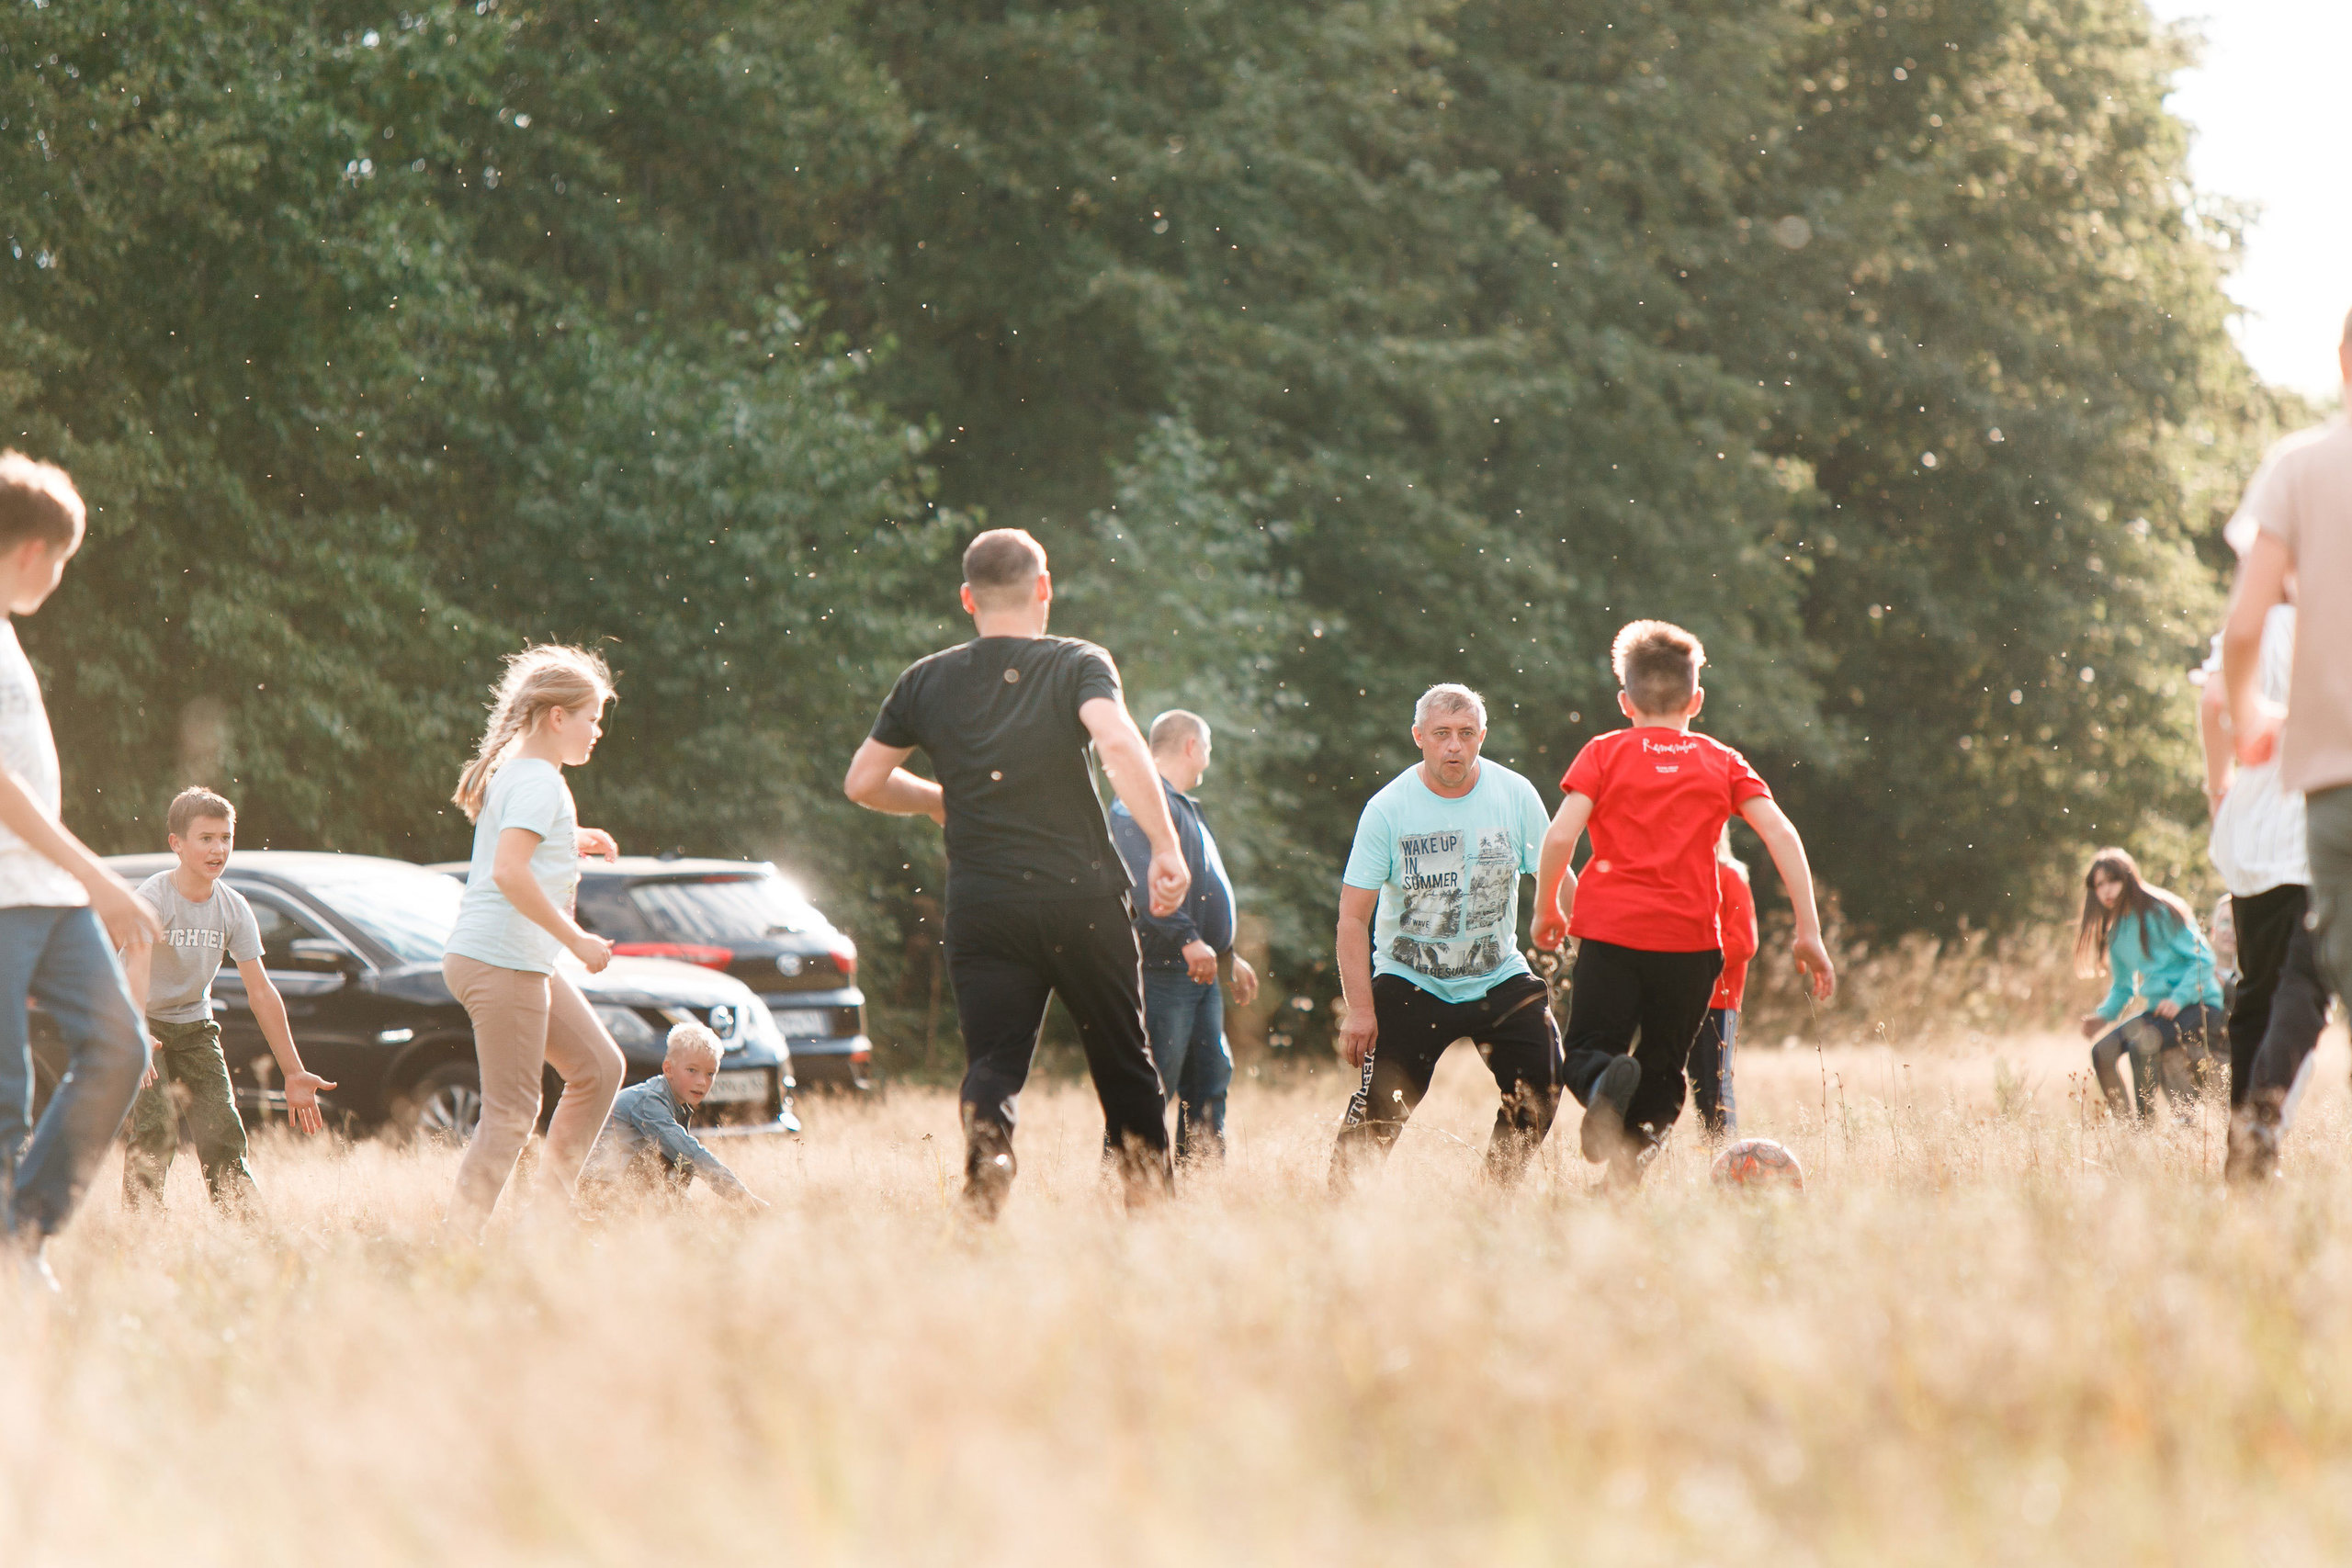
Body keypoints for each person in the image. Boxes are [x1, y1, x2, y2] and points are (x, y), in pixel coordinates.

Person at [843, 528, 1188, 1220]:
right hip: (1080, 898)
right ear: (1044, 587)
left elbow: (864, 781)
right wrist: (1165, 845)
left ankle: (986, 1184)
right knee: (1123, 1060)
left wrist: (936, 799)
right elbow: (1118, 741)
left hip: (984, 904)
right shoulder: (1077, 662)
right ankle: (1150, 1209)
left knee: (992, 1064)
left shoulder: (926, 679)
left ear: (968, 597)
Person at [1532, 620, 1835, 1190]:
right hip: (1692, 946)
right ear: (1696, 701)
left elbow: (1559, 837)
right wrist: (1808, 931)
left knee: (1590, 1049)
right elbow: (1781, 834)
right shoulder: (1721, 760)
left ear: (1625, 702)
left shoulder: (1602, 753)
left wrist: (1547, 907)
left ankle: (1601, 1086)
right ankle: (1623, 1178)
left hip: (1612, 935)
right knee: (1665, 1070)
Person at [0, 454, 161, 1289]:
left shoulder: (7, 633)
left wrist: (77, 884)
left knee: (119, 1048)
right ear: (34, 550)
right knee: (5, 1090)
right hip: (7, 896)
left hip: (49, 895)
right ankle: (13, 1270)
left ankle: (23, 1232)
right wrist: (98, 876)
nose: (60, 578)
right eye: (62, 561)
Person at [1329, 683, 1560, 1188]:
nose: (1454, 746)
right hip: (1411, 979)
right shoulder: (1388, 809)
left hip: (1497, 973)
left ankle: (1493, 1195)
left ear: (1482, 736)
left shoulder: (1514, 794)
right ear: (1418, 736)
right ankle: (1338, 1210)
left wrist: (1572, 923)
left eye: (1466, 733)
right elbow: (1351, 919)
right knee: (1379, 1114)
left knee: (1542, 1084)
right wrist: (1361, 1010)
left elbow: (1559, 880)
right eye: (1441, 734)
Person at [2221, 318, 2352, 1179]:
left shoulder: (2301, 468)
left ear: (2343, 359)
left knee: (2320, 967)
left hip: (2336, 777)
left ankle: (2258, 1128)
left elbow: (2243, 628)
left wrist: (2248, 716)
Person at [442, 645, 627, 1236]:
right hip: (502, 960)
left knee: (598, 1067)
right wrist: (578, 940)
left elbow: (520, 847)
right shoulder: (539, 782)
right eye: (591, 718)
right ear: (557, 717)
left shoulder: (527, 775)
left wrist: (574, 838)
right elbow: (509, 871)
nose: (597, 731)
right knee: (512, 1114)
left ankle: (547, 1222)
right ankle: (454, 1246)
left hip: (507, 959)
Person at [120, 787, 337, 1209]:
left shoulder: (233, 908)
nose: (218, 849)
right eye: (206, 838)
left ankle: (243, 1227)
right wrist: (134, 1032)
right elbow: (136, 970)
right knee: (156, 1127)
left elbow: (262, 992)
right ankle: (139, 1227)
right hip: (141, 1020)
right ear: (176, 843)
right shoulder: (153, 899)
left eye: (225, 838)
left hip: (195, 1025)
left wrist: (293, 1072)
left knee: (222, 1126)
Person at [1107, 709, 1260, 1164]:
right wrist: (1186, 937)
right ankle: (1126, 1182)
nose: (1207, 757)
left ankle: (1201, 1184)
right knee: (1151, 1085)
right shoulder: (1138, 801)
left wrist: (1226, 954)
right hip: (1163, 969)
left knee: (1209, 1082)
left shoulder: (1182, 805)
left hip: (1199, 971)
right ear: (1192, 746)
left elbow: (1203, 891)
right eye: (1207, 747)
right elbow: (1139, 883)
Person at [2074, 849, 2226, 1124]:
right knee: (2101, 1052)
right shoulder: (2117, 932)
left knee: (2141, 1045)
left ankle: (2146, 1126)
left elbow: (2204, 959)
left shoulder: (2160, 912)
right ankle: (2127, 1126)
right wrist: (2103, 1016)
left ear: (2129, 879)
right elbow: (2123, 986)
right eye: (2099, 884)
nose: (2106, 890)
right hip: (2161, 1012)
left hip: (2199, 1005)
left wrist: (2179, 998)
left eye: (2113, 880)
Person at [578, 1022, 764, 1210]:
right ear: (668, 1069)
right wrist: (744, 1199)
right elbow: (689, 1154)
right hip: (600, 1194)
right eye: (692, 1070)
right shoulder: (648, 1102)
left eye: (710, 1073)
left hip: (623, 1190)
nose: (702, 1081)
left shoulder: (673, 1103)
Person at [1685, 827, 1757, 1141]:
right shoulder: (1684, 879)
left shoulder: (1731, 876)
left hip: (1720, 998)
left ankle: (1727, 1152)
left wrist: (1696, 958)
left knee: (1716, 1081)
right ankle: (1711, 1150)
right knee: (1697, 1080)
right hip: (1687, 999)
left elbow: (1743, 942)